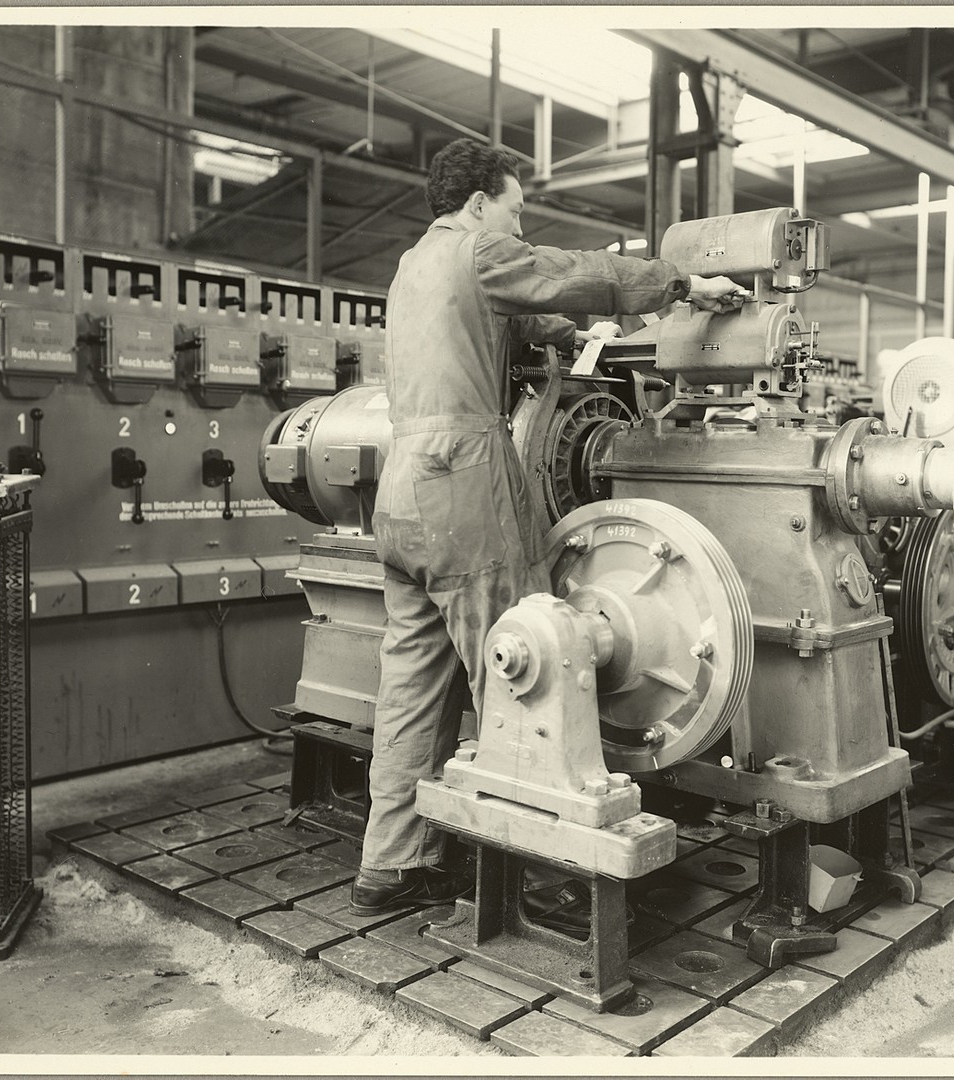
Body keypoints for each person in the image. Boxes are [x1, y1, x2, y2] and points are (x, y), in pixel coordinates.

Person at [349, 137, 745, 917]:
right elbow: (567, 271)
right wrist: (681, 282)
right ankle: (540, 876)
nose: (520, 227)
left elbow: (509, 318)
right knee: (528, 669)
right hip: (463, 486)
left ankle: (391, 866)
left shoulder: (415, 265)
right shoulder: (480, 250)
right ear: (478, 204)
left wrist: (572, 337)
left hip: (401, 492)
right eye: (515, 209)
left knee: (412, 690)